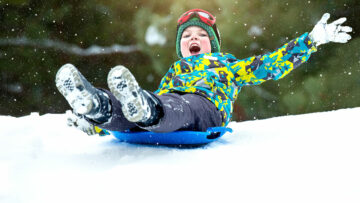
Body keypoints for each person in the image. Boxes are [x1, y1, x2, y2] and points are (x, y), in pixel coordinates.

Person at [56, 9, 352, 135]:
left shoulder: (229, 66)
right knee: (139, 109)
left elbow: (271, 65)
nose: (193, 39)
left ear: (212, 44)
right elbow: (152, 100)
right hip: (167, 104)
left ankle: (146, 110)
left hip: (206, 108)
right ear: (180, 46)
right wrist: (96, 127)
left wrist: (312, 40)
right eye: (187, 36)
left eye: (201, 35)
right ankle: (97, 106)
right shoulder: (174, 72)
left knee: (176, 106)